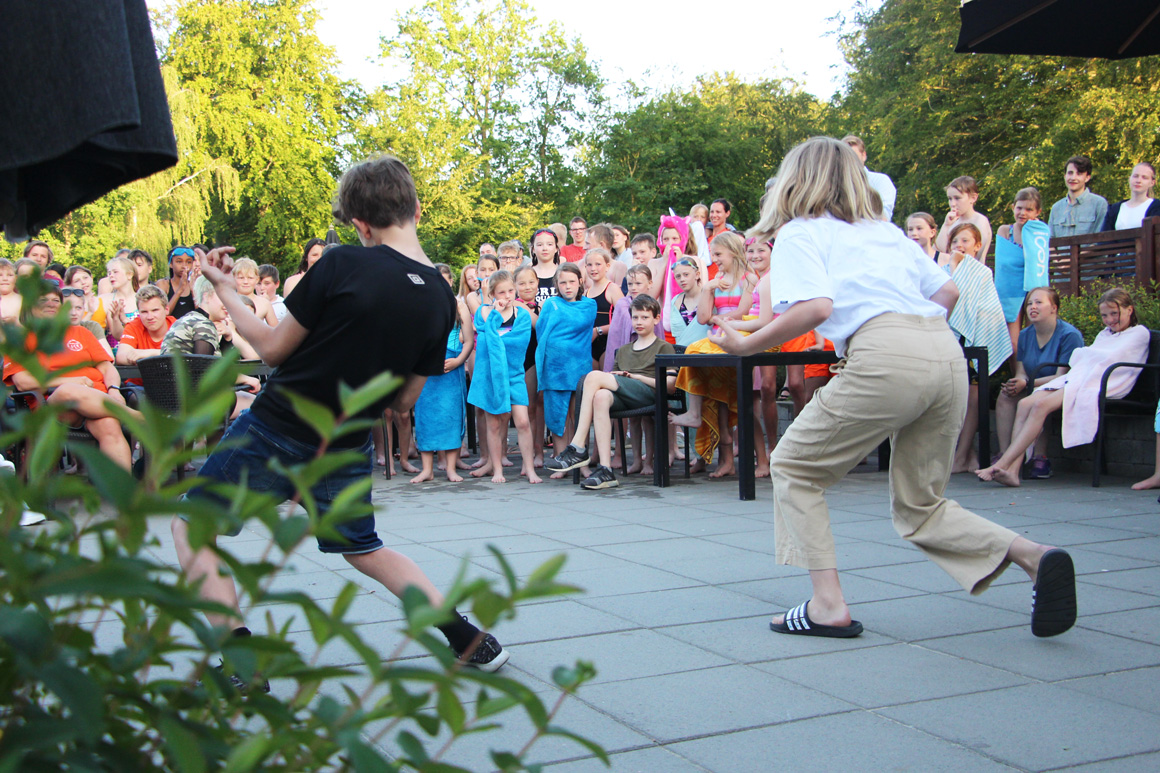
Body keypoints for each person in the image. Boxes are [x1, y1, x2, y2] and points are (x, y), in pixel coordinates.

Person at [712, 135, 1077, 640]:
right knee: (921, 506)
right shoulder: (883, 233)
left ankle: (827, 605)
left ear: (797, 180)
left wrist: (747, 347)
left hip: (885, 352)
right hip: (943, 353)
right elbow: (947, 292)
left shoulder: (800, 232)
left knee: (794, 465)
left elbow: (814, 309)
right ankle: (1036, 557)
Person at [172, 155, 510, 676]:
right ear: (417, 208)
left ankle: (239, 661)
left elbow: (272, 349)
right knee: (364, 548)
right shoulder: (443, 298)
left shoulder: (342, 263)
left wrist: (224, 291)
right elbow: (402, 403)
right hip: (349, 440)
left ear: (359, 224)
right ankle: (468, 638)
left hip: (278, 426)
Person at [978, 287, 1149, 488]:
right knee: (1024, 403)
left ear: (1129, 310)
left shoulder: (1139, 333)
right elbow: (1089, 357)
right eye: (1104, 315)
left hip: (1098, 382)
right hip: (1079, 377)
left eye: (1114, 314)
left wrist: (1085, 360)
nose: (1110, 320)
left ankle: (1004, 464)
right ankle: (1013, 472)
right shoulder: (1105, 334)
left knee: (1041, 406)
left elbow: (1107, 360)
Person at [545, 294, 676, 490]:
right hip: (625, 394)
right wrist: (623, 378)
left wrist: (636, 377)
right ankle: (606, 470)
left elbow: (671, 385)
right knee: (600, 396)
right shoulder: (623, 350)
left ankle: (578, 446)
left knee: (593, 376)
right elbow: (612, 381)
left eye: (645, 317)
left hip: (649, 393)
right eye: (635, 317)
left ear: (656, 319)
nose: (639, 322)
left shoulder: (664, 347)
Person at [3, 284, 137, 470]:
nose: (51, 304)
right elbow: (23, 382)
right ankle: (138, 419)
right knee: (68, 390)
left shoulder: (81, 332)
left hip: (97, 402)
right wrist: (70, 381)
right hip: (53, 407)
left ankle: (123, 496)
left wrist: (114, 389)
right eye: (44, 300)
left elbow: (107, 368)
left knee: (109, 426)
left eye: (55, 300)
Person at [669, 232, 757, 478]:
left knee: (735, 402)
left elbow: (744, 311)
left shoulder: (749, 279)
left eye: (718, 254)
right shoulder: (717, 279)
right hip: (718, 337)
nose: (715, 259)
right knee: (717, 399)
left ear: (732, 251)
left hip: (740, 336)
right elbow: (703, 318)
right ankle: (721, 458)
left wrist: (722, 319)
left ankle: (753, 459)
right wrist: (708, 288)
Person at [940, 222, 1013, 473]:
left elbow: (974, 305)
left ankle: (962, 455)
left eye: (965, 241)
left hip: (973, 343)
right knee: (952, 401)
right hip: (948, 342)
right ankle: (965, 454)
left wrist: (958, 267)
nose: (959, 246)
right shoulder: (942, 270)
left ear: (977, 245)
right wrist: (952, 267)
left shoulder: (981, 272)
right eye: (955, 242)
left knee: (972, 399)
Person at [995, 288, 1083, 479]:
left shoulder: (1069, 335)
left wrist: (1026, 384)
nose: (1032, 307)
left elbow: (1063, 376)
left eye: (1038, 302)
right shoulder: (1025, 335)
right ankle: (1005, 454)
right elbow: (1021, 370)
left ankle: (1040, 458)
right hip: (1031, 384)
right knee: (1005, 397)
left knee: (1037, 399)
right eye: (1029, 304)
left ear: (1054, 308)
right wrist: (1017, 382)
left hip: (1059, 387)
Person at [467, 270, 540, 484]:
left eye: (510, 291)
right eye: (501, 292)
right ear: (492, 294)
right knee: (494, 425)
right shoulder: (484, 312)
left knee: (523, 421)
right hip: (491, 377)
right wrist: (496, 318)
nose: (507, 296)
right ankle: (497, 469)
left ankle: (529, 468)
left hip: (514, 374)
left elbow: (518, 344)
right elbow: (486, 339)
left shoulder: (522, 314)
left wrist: (497, 336)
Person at [411, 264, 475, 484]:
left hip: (452, 368)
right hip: (427, 371)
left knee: (451, 417)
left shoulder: (459, 306)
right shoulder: (420, 305)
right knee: (425, 417)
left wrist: (459, 360)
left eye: (446, 280)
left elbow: (468, 340)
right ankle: (427, 469)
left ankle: (450, 468)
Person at [535, 263, 595, 479]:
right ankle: (562, 462)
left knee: (579, 418)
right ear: (556, 284)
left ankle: (582, 465)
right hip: (555, 369)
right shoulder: (551, 304)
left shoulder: (589, 306)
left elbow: (578, 326)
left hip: (579, 367)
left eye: (572, 281)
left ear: (580, 282)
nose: (567, 286)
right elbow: (542, 331)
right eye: (562, 282)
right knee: (556, 416)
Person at [995, 188, 1050, 354]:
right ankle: (1017, 376)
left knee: (1034, 337)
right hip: (1010, 290)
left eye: (1029, 209)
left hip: (1033, 288)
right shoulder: (1005, 231)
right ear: (1013, 207)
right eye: (1019, 208)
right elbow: (1004, 265)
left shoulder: (1040, 232)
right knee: (1013, 342)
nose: (1022, 213)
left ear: (1038, 212)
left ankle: (1032, 378)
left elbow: (1039, 262)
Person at [1048, 155, 1109, 239]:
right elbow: (1050, 241)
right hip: (1061, 252)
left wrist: (1083, 252)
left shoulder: (1099, 204)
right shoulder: (1056, 208)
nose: (1073, 178)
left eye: (1079, 174)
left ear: (1087, 177)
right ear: (1065, 176)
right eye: (1070, 173)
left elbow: (1101, 239)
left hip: (1090, 252)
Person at [116, 285, 176, 366]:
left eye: (155, 310)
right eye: (144, 312)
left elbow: (185, 355)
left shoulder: (176, 326)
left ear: (166, 310)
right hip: (139, 378)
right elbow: (121, 356)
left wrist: (149, 353)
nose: (150, 317)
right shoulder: (133, 326)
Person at [584, 247, 624, 369]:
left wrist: (598, 331)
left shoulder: (612, 289)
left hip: (608, 343)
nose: (593, 268)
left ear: (607, 266)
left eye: (598, 264)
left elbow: (624, 321)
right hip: (590, 345)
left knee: (605, 382)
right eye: (589, 265)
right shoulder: (585, 293)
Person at [842, 135, 897, 221]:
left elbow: (883, 217)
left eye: (854, 156)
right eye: (845, 157)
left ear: (863, 155)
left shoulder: (880, 181)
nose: (850, 161)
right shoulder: (834, 184)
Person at [936, 176, 992, 261]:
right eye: (950, 199)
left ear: (973, 198)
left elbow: (976, 254)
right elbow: (938, 252)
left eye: (957, 198)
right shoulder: (952, 222)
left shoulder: (980, 220)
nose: (952, 204)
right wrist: (946, 225)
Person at [1102, 162, 1160, 231]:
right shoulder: (1114, 209)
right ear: (1129, 179)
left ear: (1152, 182)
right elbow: (1104, 238)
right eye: (1135, 176)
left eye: (1144, 177)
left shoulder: (1157, 207)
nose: (1138, 181)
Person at [99, 255, 141, 340]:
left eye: (115, 272)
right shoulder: (105, 300)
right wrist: (115, 318)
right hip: (114, 351)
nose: (111, 275)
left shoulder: (142, 299)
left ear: (129, 275)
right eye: (109, 272)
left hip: (139, 349)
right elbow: (118, 336)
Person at [230, 257, 279, 326]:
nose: (245, 282)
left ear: (257, 279)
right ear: (233, 278)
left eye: (250, 278)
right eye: (241, 278)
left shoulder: (264, 303)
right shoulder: (227, 301)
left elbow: (276, 331)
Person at [156, 246, 198, 319]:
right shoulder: (163, 284)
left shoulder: (195, 285)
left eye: (188, 262)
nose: (184, 266)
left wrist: (193, 291)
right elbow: (162, 315)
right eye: (179, 262)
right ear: (171, 264)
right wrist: (179, 290)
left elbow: (202, 316)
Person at [530, 228, 562, 307]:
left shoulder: (563, 273)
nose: (545, 248)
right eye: (540, 245)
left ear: (556, 248)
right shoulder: (526, 274)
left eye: (549, 244)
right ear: (533, 249)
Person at [0, 259, 21, 324]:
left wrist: (16, 323)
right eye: (0, 275)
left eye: (10, 275)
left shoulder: (24, 301)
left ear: (16, 278)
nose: (5, 279)